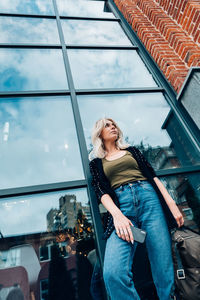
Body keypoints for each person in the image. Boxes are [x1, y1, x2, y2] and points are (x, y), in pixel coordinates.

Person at [89, 118, 184, 300]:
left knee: (163, 267)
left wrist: (172, 204)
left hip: (150, 200)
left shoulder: (131, 151)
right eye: (107, 125)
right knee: (113, 273)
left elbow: (152, 176)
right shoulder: (96, 163)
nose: (113, 127)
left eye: (114, 124)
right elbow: (100, 192)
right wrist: (117, 215)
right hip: (122, 208)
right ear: (99, 133)